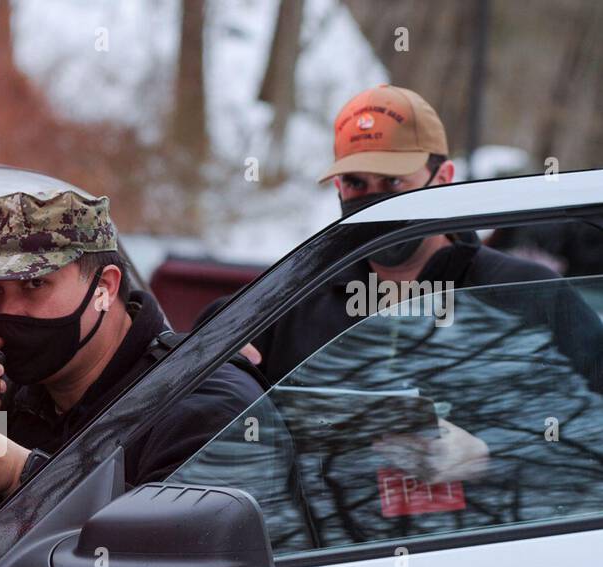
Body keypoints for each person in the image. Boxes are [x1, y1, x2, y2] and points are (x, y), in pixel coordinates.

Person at [238, 83, 603, 394]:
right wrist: (234, 374)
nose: (373, 199)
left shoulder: (530, 295)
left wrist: (491, 453)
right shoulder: (294, 301)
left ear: (442, 179)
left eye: (393, 182)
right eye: (356, 183)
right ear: (337, 186)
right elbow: (207, 369)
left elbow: (588, 416)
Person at [0, 189, 264, 502]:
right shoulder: (13, 397)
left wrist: (25, 474)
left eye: (35, 283)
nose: (8, 312)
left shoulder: (205, 402)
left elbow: (173, 545)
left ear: (104, 289)